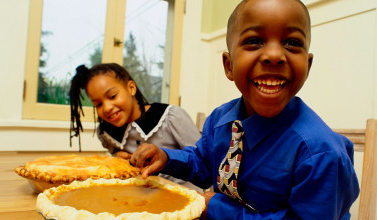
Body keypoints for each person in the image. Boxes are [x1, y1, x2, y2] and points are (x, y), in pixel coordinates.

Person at [129, 0, 360, 219]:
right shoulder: (220, 120)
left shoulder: (321, 154)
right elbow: (202, 163)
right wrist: (167, 158)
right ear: (229, 66)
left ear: (307, 66)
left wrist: (219, 210)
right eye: (254, 41)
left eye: (292, 43)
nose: (274, 55)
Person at [69, 63, 202, 191]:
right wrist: (117, 158)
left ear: (131, 88)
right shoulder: (106, 132)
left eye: (112, 96)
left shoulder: (170, 116)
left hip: (184, 193)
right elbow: (116, 156)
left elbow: (201, 161)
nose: (107, 108)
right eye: (98, 104)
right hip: (141, 195)